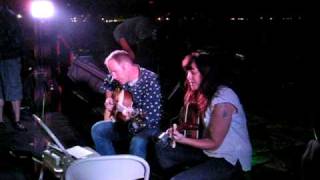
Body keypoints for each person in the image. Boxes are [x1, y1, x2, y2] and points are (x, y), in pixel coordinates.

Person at [155, 50, 252, 179]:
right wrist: (181, 128)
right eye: (187, 72)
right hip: (209, 153)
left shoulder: (223, 98)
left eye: (192, 72)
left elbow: (214, 142)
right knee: (163, 147)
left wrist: (183, 139)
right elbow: (204, 124)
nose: (188, 77)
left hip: (229, 159)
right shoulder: (205, 93)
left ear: (207, 73)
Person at [91, 50, 162, 159]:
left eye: (114, 72)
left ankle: (135, 175)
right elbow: (108, 84)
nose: (113, 76)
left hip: (146, 126)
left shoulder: (151, 81)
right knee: (98, 129)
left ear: (126, 66)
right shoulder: (117, 77)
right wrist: (109, 99)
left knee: (137, 143)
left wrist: (132, 113)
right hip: (126, 123)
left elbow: (152, 118)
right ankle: (112, 168)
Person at [0, 2, 26, 131]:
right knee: (13, 87)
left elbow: (17, 37)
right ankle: (14, 121)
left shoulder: (9, 16)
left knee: (13, 87)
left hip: (10, 55)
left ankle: (15, 121)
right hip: (11, 55)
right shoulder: (10, 15)